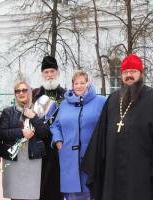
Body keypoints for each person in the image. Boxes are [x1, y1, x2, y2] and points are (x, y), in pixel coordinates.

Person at [82, 54, 153, 200]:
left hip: (140, 170)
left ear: (141, 73)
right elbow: (100, 136)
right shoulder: (113, 99)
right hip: (112, 171)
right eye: (125, 72)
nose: (129, 75)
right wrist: (95, 164)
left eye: (133, 71)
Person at [50, 70, 106, 200]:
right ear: (72, 85)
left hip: (91, 156)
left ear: (88, 83)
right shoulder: (64, 104)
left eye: (82, 82)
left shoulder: (101, 101)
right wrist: (58, 140)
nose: (79, 86)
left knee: (91, 191)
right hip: (68, 156)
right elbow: (55, 125)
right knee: (72, 194)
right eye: (76, 83)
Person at [0, 80, 50, 200]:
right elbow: (2, 133)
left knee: (31, 194)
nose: (21, 93)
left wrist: (34, 117)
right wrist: (21, 132)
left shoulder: (38, 110)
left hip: (33, 158)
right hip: (14, 158)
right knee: (15, 195)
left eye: (24, 90)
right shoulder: (8, 112)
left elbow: (45, 133)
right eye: (18, 91)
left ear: (30, 91)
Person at [32, 55, 65, 200]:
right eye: (46, 72)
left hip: (58, 148)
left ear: (57, 72)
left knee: (56, 187)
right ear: (42, 74)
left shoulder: (66, 95)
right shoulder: (34, 95)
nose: (49, 75)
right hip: (38, 147)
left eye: (52, 71)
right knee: (38, 188)